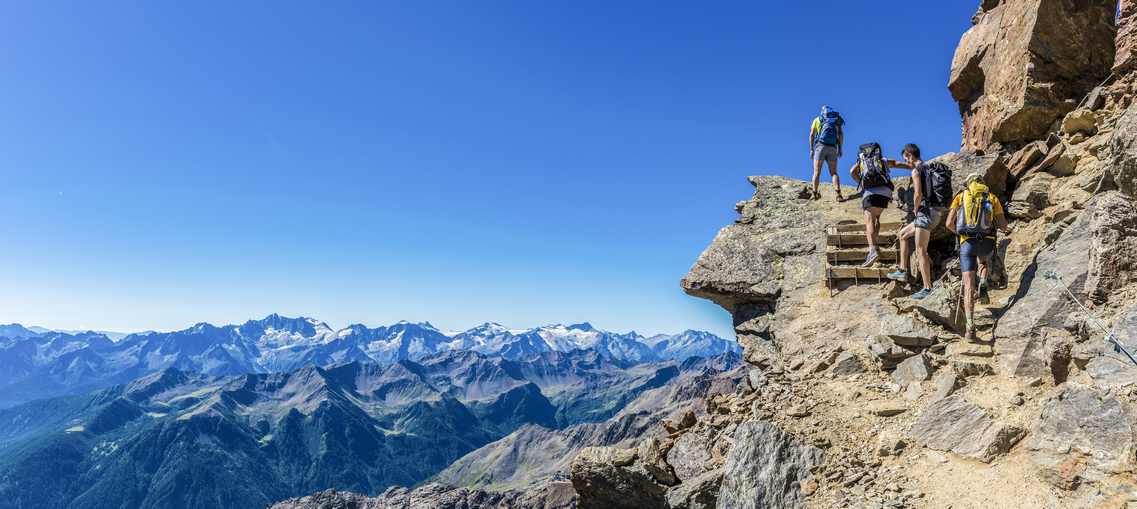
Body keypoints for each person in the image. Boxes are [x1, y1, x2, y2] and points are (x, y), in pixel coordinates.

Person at [946, 174, 1010, 341]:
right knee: (983, 260)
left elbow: (948, 224)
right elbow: (1003, 227)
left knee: (968, 286)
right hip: (987, 244)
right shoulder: (991, 198)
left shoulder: (960, 197)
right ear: (983, 183)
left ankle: (970, 328)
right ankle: (983, 281)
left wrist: (961, 234)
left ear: (968, 183)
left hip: (967, 244)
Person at [885, 144, 946, 299]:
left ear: (910, 155)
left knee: (920, 251)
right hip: (933, 213)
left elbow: (918, 194)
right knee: (903, 234)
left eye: (906, 159)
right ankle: (902, 270)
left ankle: (927, 288)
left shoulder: (916, 170)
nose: (906, 162)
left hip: (925, 213)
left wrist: (916, 208)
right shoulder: (929, 169)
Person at [849, 143, 892, 266]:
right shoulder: (884, 160)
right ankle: (876, 243)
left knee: (870, 221)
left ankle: (872, 251)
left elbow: (852, 171)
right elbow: (903, 165)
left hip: (870, 193)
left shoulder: (861, 162)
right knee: (877, 217)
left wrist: (862, 185)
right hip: (885, 193)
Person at [809, 106, 844, 201]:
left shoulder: (817, 120)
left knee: (817, 171)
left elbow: (812, 134)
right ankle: (838, 194)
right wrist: (840, 149)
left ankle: (814, 194)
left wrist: (811, 149)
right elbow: (840, 134)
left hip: (821, 146)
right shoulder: (836, 120)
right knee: (833, 173)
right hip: (833, 147)